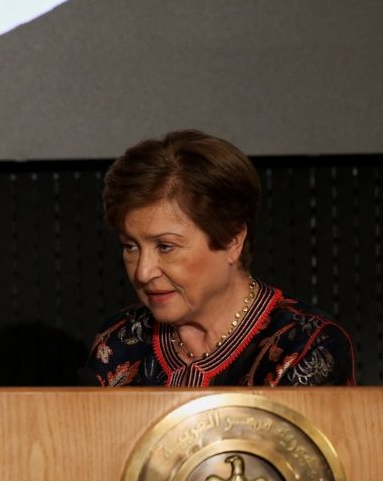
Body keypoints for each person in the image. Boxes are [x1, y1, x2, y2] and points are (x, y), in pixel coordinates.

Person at [85, 130, 356, 387]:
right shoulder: (119, 340)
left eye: (165, 246)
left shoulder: (305, 346)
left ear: (232, 240)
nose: (143, 272)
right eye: (130, 246)